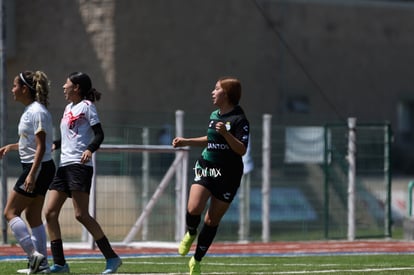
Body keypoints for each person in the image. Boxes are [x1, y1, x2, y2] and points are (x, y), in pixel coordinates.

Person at [44, 72, 121, 274]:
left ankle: (112, 258)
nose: (63, 87)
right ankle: (60, 263)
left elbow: (99, 134)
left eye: (66, 84)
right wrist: (56, 144)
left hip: (79, 166)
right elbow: (71, 137)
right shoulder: (68, 108)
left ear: (76, 87)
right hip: (63, 166)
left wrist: (90, 149)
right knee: (50, 213)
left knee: (81, 215)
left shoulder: (87, 107)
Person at [172, 76, 250, 275]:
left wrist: (226, 134)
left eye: (217, 89)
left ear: (227, 94)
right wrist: (186, 141)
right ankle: (190, 232)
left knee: (211, 221)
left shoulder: (240, 119)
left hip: (229, 175)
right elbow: (211, 139)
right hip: (208, 166)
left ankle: (196, 260)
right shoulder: (215, 114)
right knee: (193, 207)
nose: (212, 92)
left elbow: (241, 149)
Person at [1, 71, 56, 274]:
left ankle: (34, 257)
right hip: (40, 167)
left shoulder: (37, 111)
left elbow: (42, 147)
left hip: (38, 167)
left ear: (25, 89)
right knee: (33, 216)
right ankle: (42, 267)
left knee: (9, 212)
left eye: (15, 85)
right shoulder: (31, 110)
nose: (12, 89)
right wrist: (12, 146)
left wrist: (32, 174)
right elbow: (31, 143)